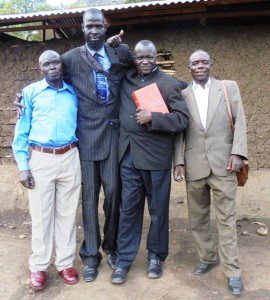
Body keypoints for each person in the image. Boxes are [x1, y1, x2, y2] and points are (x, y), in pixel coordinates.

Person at [61, 8, 134, 282]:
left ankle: (111, 247)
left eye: (99, 26)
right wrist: (25, 97)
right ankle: (91, 255)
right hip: (87, 140)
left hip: (114, 137)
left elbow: (141, 65)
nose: (94, 30)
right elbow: (50, 80)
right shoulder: (69, 59)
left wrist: (121, 46)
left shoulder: (118, 53)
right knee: (89, 199)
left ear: (106, 28)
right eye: (89, 26)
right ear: (82, 28)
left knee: (115, 195)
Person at [110, 40, 189, 284]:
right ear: (134, 58)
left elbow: (182, 119)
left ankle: (155, 257)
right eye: (140, 57)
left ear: (157, 58)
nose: (144, 61)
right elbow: (112, 63)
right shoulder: (126, 79)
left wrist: (153, 117)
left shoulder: (169, 84)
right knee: (128, 211)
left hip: (156, 159)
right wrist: (114, 46)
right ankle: (123, 261)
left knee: (158, 211)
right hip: (129, 157)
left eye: (149, 57)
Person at [173, 49, 248, 295]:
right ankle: (207, 257)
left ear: (211, 65)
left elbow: (241, 121)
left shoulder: (227, 88)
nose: (200, 65)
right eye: (195, 62)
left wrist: (238, 153)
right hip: (194, 164)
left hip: (224, 164)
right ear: (189, 67)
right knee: (198, 218)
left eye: (205, 61)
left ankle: (233, 271)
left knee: (226, 219)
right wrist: (178, 162)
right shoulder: (182, 95)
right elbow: (179, 131)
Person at [12, 50, 81, 291]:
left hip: (71, 156)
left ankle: (65, 263)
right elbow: (20, 132)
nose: (52, 67)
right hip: (41, 158)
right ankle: (39, 266)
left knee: (68, 214)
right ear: (40, 69)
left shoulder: (73, 92)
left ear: (61, 65)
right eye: (46, 64)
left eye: (55, 62)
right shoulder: (30, 94)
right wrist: (23, 166)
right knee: (42, 216)